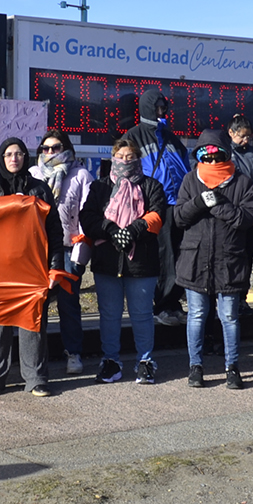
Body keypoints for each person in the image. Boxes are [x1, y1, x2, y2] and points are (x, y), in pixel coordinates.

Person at [0, 138, 62, 397]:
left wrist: (55, 267)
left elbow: (54, 231)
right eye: (9, 154)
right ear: (1, 158)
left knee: (33, 323)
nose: (14, 159)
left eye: (19, 154)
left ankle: (36, 378)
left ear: (26, 157)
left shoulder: (40, 189)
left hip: (32, 267)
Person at [175, 131, 253, 388]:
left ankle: (232, 367)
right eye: (204, 155)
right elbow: (178, 218)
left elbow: (247, 219)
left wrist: (219, 206)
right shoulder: (190, 180)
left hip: (229, 261)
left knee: (229, 317)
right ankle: (195, 367)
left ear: (226, 153)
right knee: (197, 315)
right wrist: (199, 202)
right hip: (195, 260)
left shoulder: (241, 182)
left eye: (216, 155)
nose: (210, 161)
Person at [80, 137, 166, 383]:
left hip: (142, 263)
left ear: (138, 159)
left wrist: (133, 230)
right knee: (109, 314)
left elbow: (158, 214)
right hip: (107, 262)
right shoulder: (100, 187)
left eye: (130, 157)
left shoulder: (151, 186)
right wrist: (110, 229)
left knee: (141, 314)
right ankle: (110, 361)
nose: (125, 161)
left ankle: (145, 361)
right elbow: (88, 217)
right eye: (121, 156)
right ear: (113, 158)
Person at [31, 130, 94, 374]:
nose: (49, 153)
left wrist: (80, 257)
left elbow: (85, 217)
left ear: (65, 148)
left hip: (68, 249)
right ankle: (37, 357)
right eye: (45, 149)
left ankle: (74, 353)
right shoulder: (33, 174)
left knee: (69, 304)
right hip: (38, 250)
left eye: (55, 148)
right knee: (38, 304)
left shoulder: (81, 175)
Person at [124, 89, 189, 325]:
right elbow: (126, 173)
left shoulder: (171, 137)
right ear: (148, 108)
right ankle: (161, 306)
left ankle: (174, 303)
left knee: (180, 254)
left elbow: (185, 167)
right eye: (158, 107)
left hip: (178, 204)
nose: (162, 111)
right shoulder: (133, 136)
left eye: (164, 107)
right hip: (153, 205)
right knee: (164, 256)